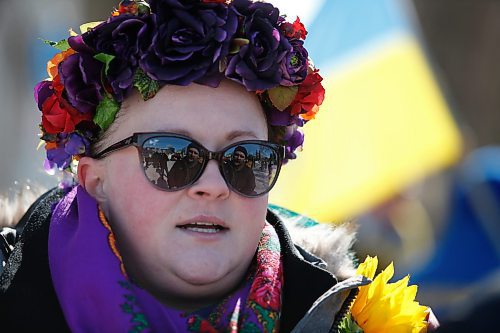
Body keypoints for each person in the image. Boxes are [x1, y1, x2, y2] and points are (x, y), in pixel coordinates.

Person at [0, 0, 437, 332]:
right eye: (171, 155)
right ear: (94, 179)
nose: (213, 185)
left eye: (245, 159)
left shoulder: (364, 320)